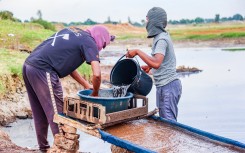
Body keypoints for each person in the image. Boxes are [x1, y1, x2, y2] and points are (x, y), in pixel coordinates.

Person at [22, 25, 115, 152]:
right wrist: (95, 93)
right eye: (104, 45)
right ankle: (63, 149)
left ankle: (44, 149)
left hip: (29, 65)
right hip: (44, 70)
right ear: (100, 38)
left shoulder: (74, 32)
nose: (102, 48)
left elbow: (69, 66)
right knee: (58, 114)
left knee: (39, 112)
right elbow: (97, 74)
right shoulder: (90, 42)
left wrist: (86, 85)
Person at [126, 7, 182, 121]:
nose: (146, 23)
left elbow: (156, 63)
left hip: (169, 86)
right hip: (164, 85)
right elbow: (160, 63)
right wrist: (150, 68)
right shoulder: (160, 37)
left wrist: (137, 51)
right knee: (165, 121)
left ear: (154, 21)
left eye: (147, 20)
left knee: (169, 124)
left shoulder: (161, 39)